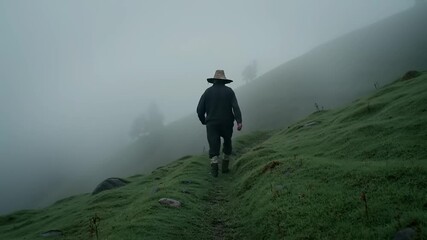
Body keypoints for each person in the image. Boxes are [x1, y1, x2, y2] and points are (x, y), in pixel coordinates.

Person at [197, 70, 242, 177]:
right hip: (227, 123)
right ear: (224, 81)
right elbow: (235, 107)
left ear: (214, 81)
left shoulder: (207, 92)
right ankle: (225, 167)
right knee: (227, 142)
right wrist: (239, 121)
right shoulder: (229, 91)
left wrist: (204, 121)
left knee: (213, 144)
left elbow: (199, 110)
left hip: (212, 123)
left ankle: (214, 171)